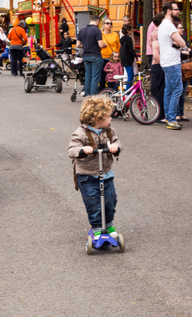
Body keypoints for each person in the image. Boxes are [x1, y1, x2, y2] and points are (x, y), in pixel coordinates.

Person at [67, 95, 121, 240]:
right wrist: (82, 150)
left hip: (106, 174)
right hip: (87, 176)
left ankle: (108, 224)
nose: (111, 119)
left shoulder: (109, 131)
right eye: (109, 116)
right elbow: (71, 150)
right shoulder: (80, 133)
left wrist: (116, 147)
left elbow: (117, 142)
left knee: (110, 201)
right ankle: (97, 227)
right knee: (94, 203)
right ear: (98, 119)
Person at [159, 2, 187, 130]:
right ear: (169, 11)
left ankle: (168, 117)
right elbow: (182, 42)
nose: (178, 11)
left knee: (169, 90)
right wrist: (178, 41)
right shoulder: (169, 26)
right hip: (172, 62)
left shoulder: (163, 25)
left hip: (166, 62)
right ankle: (171, 119)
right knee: (177, 90)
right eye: (176, 9)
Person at [76, 15, 107, 97]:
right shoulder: (97, 30)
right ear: (97, 21)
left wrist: (86, 45)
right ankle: (93, 98)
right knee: (95, 78)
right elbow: (100, 45)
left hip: (86, 56)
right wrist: (105, 45)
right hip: (96, 56)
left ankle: (87, 97)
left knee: (88, 77)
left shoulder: (82, 30)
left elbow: (78, 45)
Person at [149, 13, 165, 122]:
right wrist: (164, 63)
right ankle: (160, 116)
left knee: (161, 89)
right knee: (160, 90)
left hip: (160, 64)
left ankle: (162, 114)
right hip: (159, 64)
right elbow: (156, 53)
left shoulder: (159, 32)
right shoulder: (156, 34)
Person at [175, 22, 190, 122]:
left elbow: (191, 52)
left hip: (186, 68)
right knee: (178, 92)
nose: (182, 29)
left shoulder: (183, 39)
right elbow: (179, 54)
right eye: (180, 28)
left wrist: (187, 53)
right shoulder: (174, 40)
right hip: (178, 68)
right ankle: (176, 113)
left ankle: (181, 113)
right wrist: (186, 53)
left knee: (183, 92)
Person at [100, 19, 120, 90]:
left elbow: (118, 46)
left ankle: (113, 92)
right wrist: (102, 45)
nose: (109, 25)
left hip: (113, 59)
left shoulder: (115, 34)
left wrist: (117, 57)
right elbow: (97, 46)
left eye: (110, 23)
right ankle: (102, 91)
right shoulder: (100, 34)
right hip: (103, 58)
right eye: (107, 23)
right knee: (102, 76)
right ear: (103, 25)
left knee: (113, 77)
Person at [119, 24, 137, 90]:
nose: (132, 31)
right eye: (130, 29)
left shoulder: (122, 40)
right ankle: (128, 90)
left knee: (129, 75)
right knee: (130, 75)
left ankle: (128, 89)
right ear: (128, 31)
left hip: (124, 59)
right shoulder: (128, 39)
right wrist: (136, 56)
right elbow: (130, 49)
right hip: (128, 59)